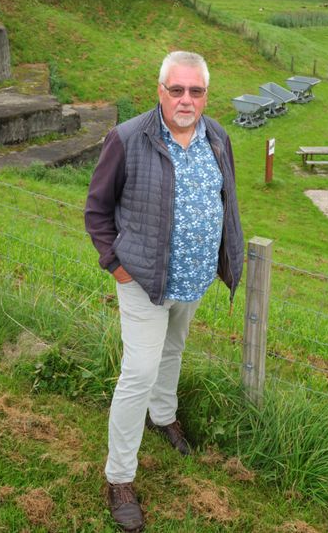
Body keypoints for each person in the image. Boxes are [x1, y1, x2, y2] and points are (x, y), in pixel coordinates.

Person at [85, 51, 244, 531]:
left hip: (192, 282)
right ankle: (119, 478)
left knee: (173, 352)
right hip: (143, 282)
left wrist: (224, 256)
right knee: (138, 372)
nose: (186, 99)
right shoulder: (129, 137)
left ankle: (164, 414)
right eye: (177, 90)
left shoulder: (217, 137)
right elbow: (96, 210)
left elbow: (227, 199)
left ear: (205, 96)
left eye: (196, 91)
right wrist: (116, 266)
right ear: (160, 91)